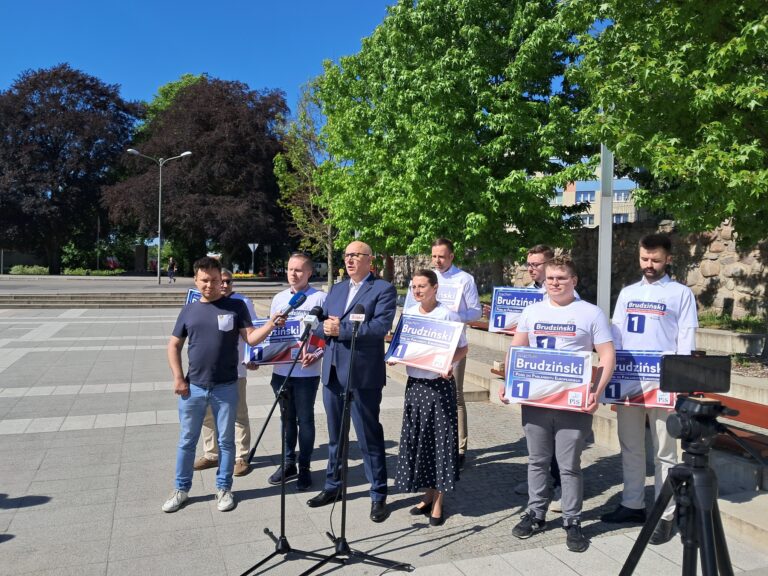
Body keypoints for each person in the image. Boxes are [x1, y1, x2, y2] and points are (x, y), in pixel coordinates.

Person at [499, 256, 615, 552]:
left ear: (574, 281)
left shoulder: (590, 313)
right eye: (550, 278)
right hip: (537, 399)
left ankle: (572, 520)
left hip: (572, 402)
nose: (555, 283)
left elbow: (607, 355)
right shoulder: (532, 310)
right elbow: (517, 350)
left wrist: (596, 392)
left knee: (569, 465)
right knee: (537, 460)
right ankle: (535, 513)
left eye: (561, 278)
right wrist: (508, 383)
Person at [163, 256, 283, 514]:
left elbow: (251, 338)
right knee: (187, 440)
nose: (210, 285)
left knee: (227, 442)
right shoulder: (189, 310)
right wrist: (178, 377)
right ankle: (181, 489)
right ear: (196, 280)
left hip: (226, 386)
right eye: (204, 280)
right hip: (193, 387)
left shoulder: (235, 307)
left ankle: (224, 488)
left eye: (215, 280)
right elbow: (174, 345)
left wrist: (271, 323)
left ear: (222, 281)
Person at [600, 233, 698, 545]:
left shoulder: (681, 294)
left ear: (668, 259)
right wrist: (613, 384)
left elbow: (686, 339)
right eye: (644, 259)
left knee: (664, 451)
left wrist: (681, 383)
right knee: (630, 446)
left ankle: (665, 514)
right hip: (629, 380)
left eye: (655, 260)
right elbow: (615, 338)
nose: (649, 265)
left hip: (663, 382)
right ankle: (632, 504)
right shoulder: (628, 293)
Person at [306, 241, 397, 523]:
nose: (349, 260)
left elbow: (380, 327)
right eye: (346, 255)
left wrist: (339, 329)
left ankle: (378, 494)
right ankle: (333, 486)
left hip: (361, 376)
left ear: (370, 260)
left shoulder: (383, 289)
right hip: (332, 372)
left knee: (369, 437)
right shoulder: (337, 289)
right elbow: (321, 323)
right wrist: (326, 327)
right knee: (335, 437)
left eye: (355, 255)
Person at [393, 269, 467, 527]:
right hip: (415, 386)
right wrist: (394, 355)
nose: (416, 291)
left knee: (440, 443)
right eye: (413, 287)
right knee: (420, 441)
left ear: (435, 288)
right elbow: (399, 344)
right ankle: (427, 493)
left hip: (439, 387)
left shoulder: (447, 314)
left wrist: (450, 364)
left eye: (422, 286)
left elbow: (463, 348)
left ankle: (439, 501)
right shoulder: (410, 314)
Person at [266, 252, 327, 491]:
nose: (293, 273)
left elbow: (326, 334)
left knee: (305, 419)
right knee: (286, 419)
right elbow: (269, 333)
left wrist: (317, 353)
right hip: (282, 370)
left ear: (309, 273)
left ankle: (305, 467)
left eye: (299, 270)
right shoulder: (279, 298)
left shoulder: (320, 298)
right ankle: (288, 462)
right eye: (290, 269)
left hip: (307, 372)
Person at [193, 269, 257, 477]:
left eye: (228, 281)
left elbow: (253, 332)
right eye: (221, 281)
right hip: (207, 372)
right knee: (208, 414)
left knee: (238, 414)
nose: (224, 285)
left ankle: (241, 457)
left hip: (235, 369)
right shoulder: (202, 301)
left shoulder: (242, 303)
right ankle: (211, 454)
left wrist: (253, 358)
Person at [514, 245, 563, 510]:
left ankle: (558, 485)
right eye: (529, 264)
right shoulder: (529, 296)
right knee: (535, 433)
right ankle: (539, 482)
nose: (531, 268)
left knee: (555, 435)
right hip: (531, 370)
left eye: (536, 264)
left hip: (555, 373)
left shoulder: (563, 294)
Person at [431, 238, 481, 469]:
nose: (437, 261)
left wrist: (451, 316)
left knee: (455, 395)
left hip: (453, 343)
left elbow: (476, 312)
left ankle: (459, 448)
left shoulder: (465, 279)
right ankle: (434, 444)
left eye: (442, 256)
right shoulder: (427, 278)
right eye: (434, 256)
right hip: (429, 341)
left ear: (451, 256)